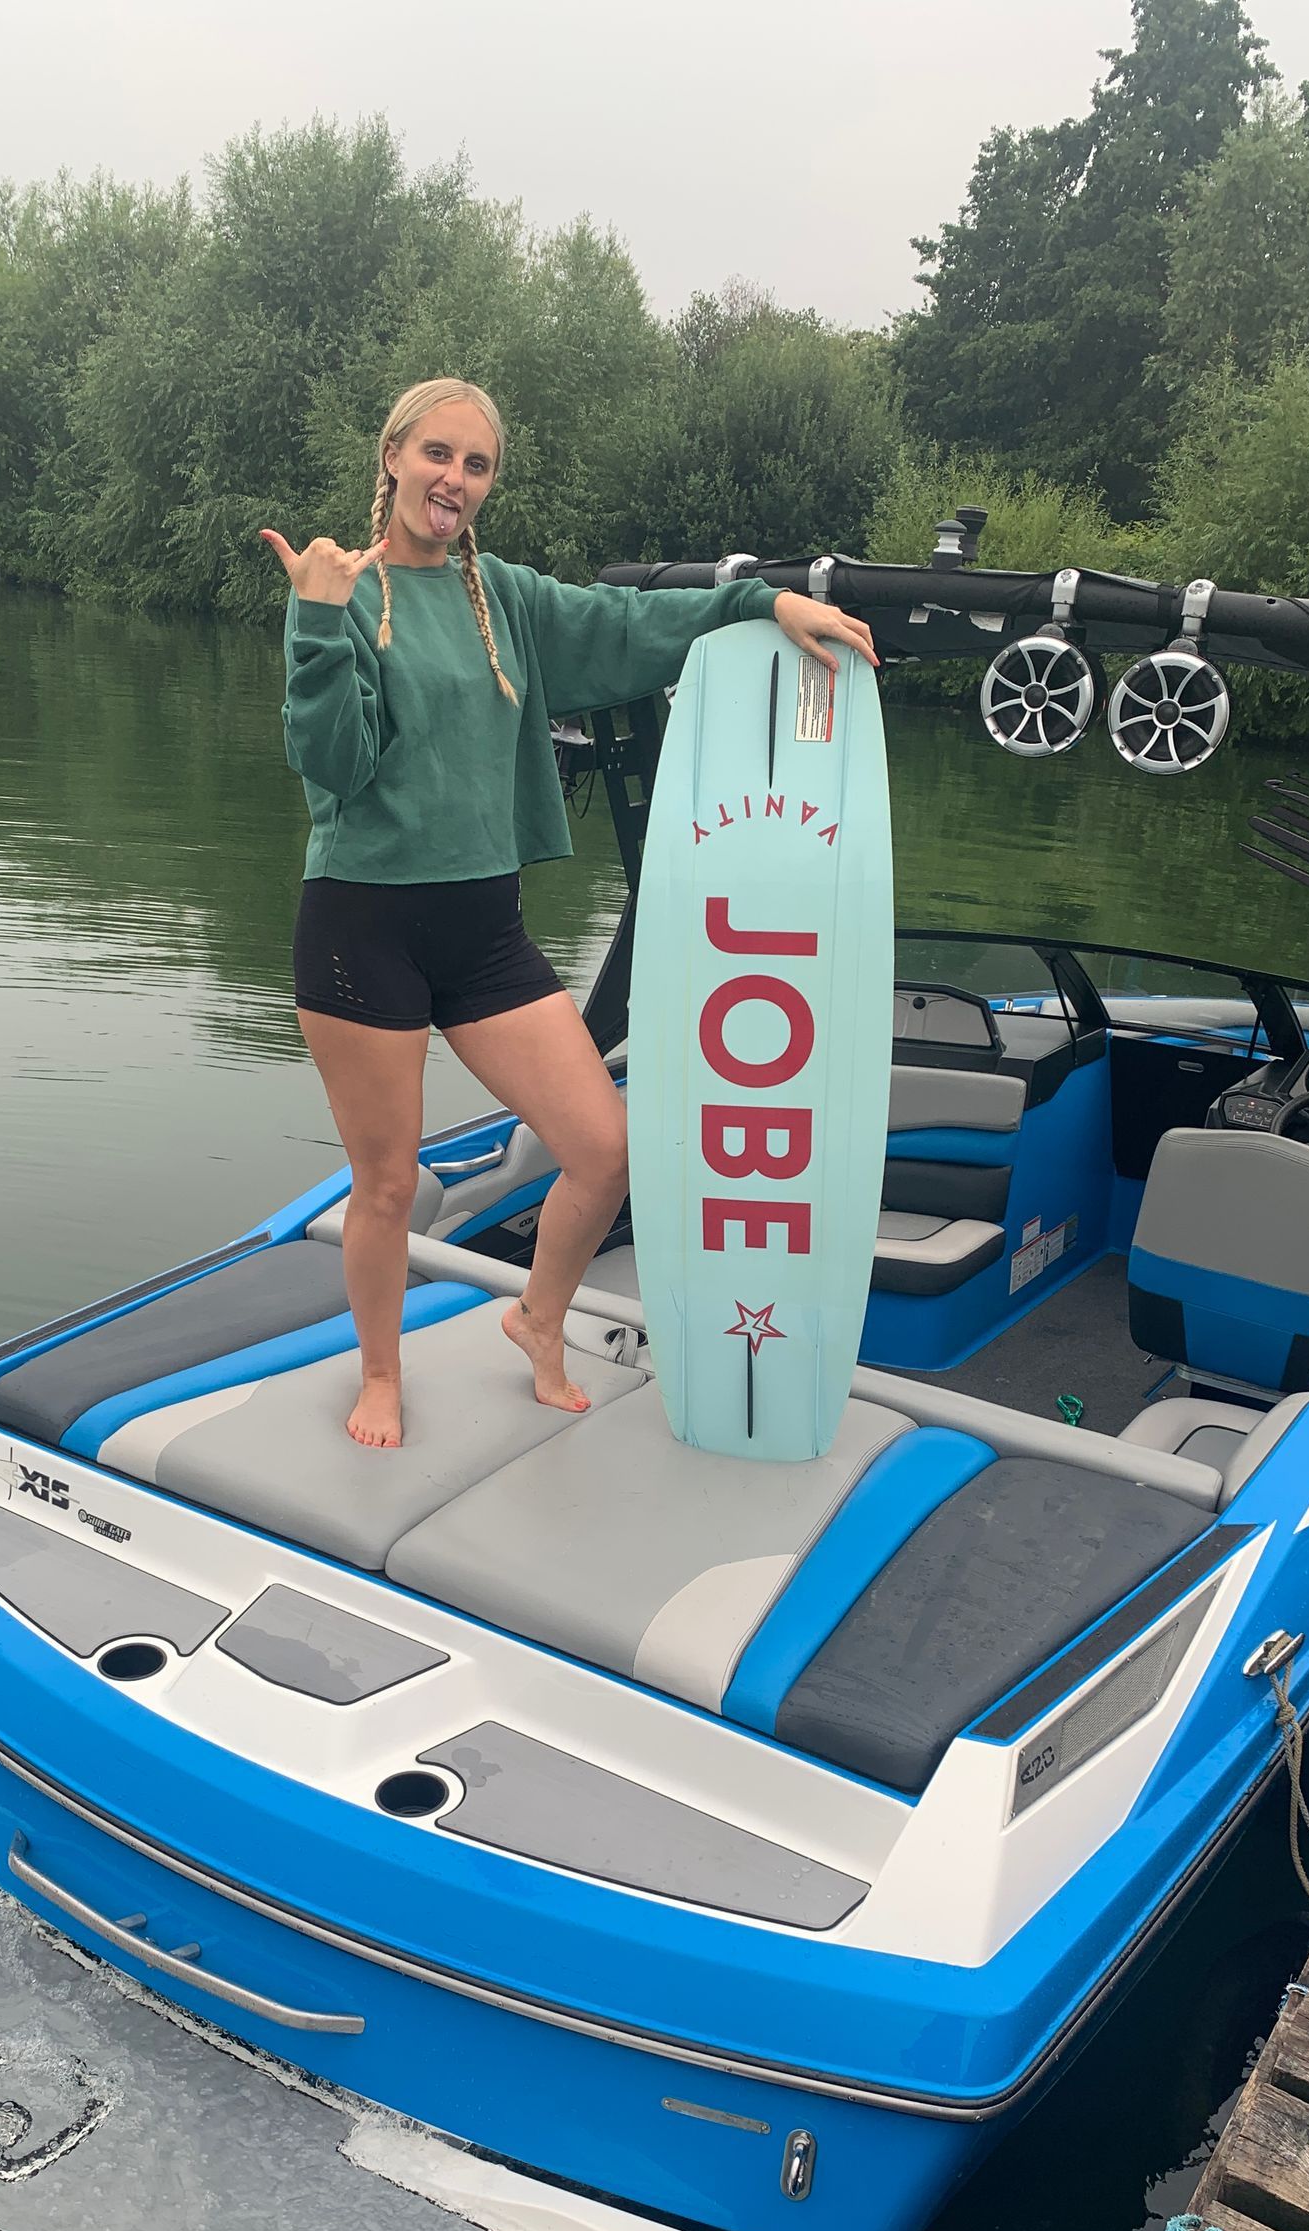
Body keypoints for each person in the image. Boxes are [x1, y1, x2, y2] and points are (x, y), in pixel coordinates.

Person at [262, 376, 876, 1448]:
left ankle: (536, 1321)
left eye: (477, 464)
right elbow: (332, 765)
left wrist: (764, 603)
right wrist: (317, 621)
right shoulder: (342, 592)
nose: (454, 479)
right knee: (390, 1182)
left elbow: (634, 625)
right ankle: (380, 1373)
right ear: (394, 456)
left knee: (602, 1147)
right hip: (363, 927)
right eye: (437, 454)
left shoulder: (506, 598)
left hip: (482, 929)